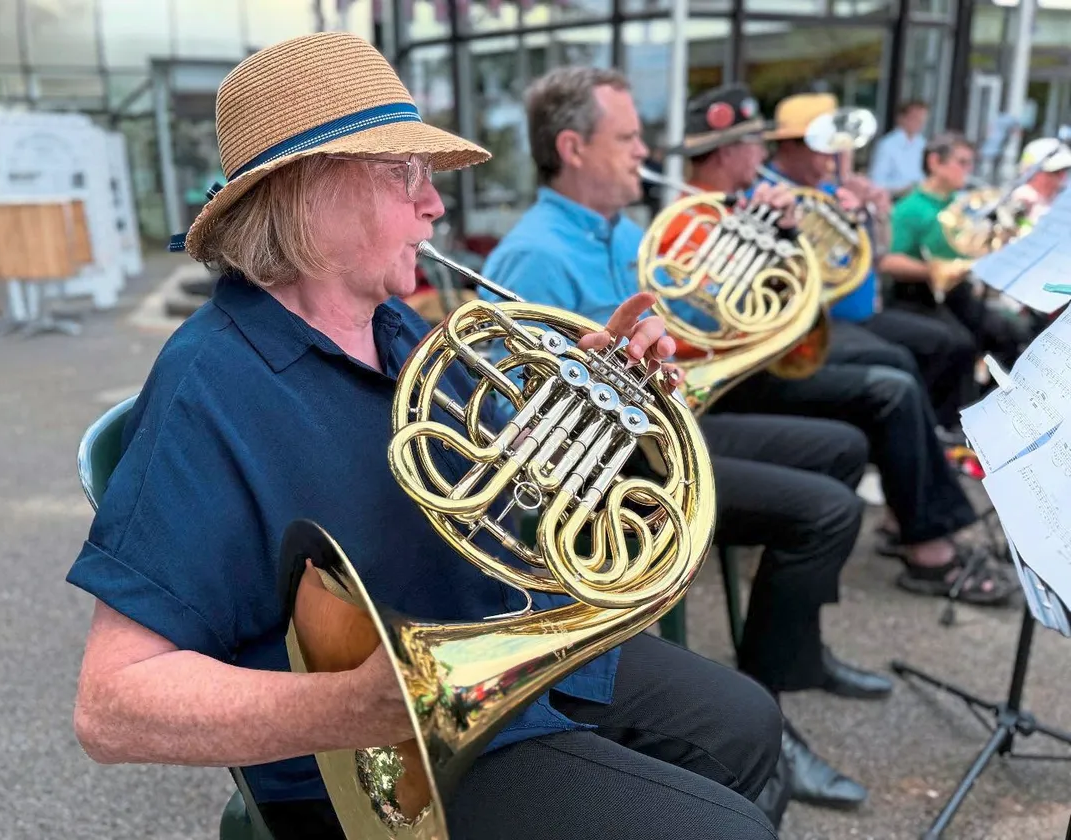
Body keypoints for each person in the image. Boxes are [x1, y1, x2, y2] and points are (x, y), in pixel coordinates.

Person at [66, 33, 785, 840]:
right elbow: (111, 706)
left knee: (748, 723)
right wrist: (354, 704)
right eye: (402, 173)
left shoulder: (394, 324)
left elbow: (507, 485)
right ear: (308, 189)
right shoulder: (211, 385)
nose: (435, 204)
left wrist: (603, 397)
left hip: (498, 639)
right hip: (376, 763)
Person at [485, 65, 894, 814]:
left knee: (840, 452)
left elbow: (708, 332)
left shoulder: (629, 231)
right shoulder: (533, 255)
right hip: (611, 474)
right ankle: (766, 721)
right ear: (573, 147)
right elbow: (514, 417)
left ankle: (789, 663)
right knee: (826, 509)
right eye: (630, 137)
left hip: (670, 427)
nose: (646, 152)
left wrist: (766, 242)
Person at [669, 86, 1014, 609]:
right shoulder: (692, 218)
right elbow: (710, 318)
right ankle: (927, 540)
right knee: (893, 383)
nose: (761, 157)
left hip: (773, 353)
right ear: (727, 152)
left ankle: (919, 517)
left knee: (909, 364)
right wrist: (772, 237)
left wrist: (841, 223)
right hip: (737, 377)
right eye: (754, 146)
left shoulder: (738, 204)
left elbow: (815, 280)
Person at [758, 91, 975, 430]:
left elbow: (877, 257)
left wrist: (875, 214)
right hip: (827, 322)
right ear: (791, 147)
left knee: (946, 343)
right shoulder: (768, 193)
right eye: (824, 148)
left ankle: (934, 431)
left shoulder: (827, 189)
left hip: (862, 312)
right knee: (902, 363)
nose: (833, 160)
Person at [879, 131, 1032, 369]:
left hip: (957, 294)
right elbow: (889, 261)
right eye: (961, 162)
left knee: (1012, 333)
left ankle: (994, 400)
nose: (968, 169)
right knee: (960, 345)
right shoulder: (908, 208)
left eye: (970, 163)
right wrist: (936, 269)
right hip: (919, 298)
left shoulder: (960, 205)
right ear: (934, 163)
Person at [869, 100, 929, 198]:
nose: (919, 123)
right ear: (901, 118)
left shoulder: (922, 144)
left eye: (922, 119)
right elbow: (876, 183)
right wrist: (904, 188)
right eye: (915, 118)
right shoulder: (887, 145)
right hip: (895, 200)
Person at [1012, 137, 1071, 227]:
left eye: (1065, 170)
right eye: (1055, 172)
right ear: (1031, 173)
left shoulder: (1061, 199)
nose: (1061, 177)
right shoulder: (1022, 199)